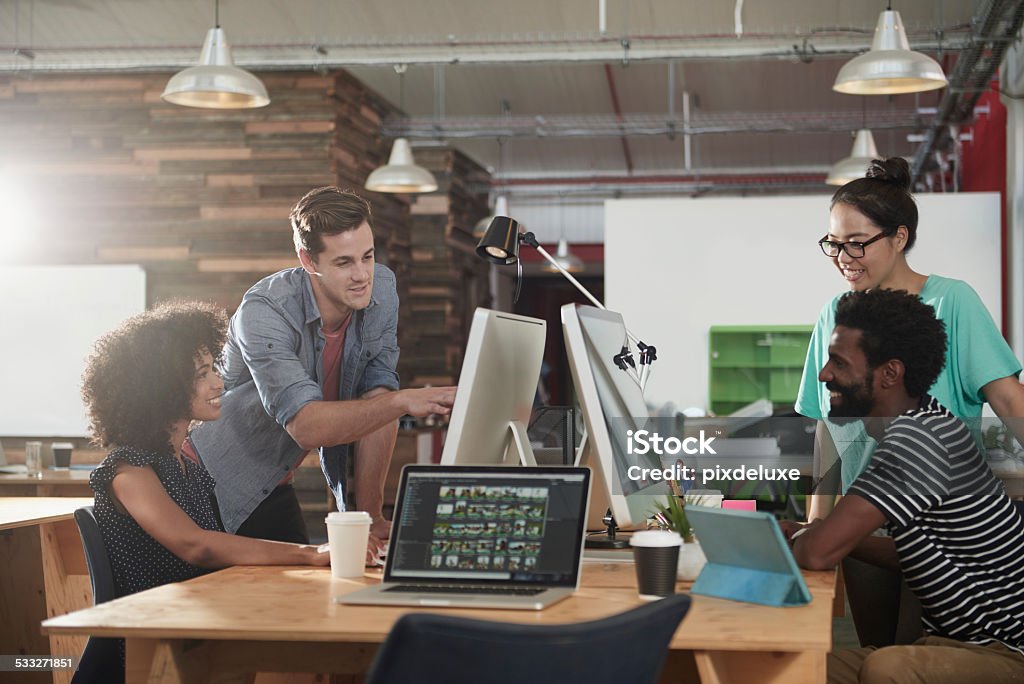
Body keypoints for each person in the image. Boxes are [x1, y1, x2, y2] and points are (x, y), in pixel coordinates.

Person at [795, 158, 1024, 646]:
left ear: (899, 237)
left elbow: (1008, 400)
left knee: (920, 658)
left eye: (857, 242)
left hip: (941, 530)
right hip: (866, 521)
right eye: (833, 244)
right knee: (877, 655)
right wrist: (819, 525)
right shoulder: (834, 315)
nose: (843, 256)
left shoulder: (951, 302)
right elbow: (825, 429)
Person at [187, 187, 456, 550]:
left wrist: (371, 517)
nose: (362, 275)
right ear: (309, 260)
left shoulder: (382, 291)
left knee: (306, 595)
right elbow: (307, 426)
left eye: (368, 256)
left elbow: (379, 396)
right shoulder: (265, 310)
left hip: (276, 483)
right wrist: (402, 402)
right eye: (344, 263)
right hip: (207, 481)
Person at [80, 302, 331, 681]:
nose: (218, 382)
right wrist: (308, 554)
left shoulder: (189, 468)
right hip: (150, 648)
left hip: (196, 625)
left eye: (214, 368)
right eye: (202, 374)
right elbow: (197, 545)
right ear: (162, 388)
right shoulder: (129, 471)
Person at [783, 289, 1024, 683]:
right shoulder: (925, 422)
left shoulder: (916, 442)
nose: (824, 374)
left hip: (1007, 654)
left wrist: (804, 540)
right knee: (793, 673)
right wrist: (823, 533)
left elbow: (818, 554)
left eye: (839, 362)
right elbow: (917, 551)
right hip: (948, 644)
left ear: (890, 374)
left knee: (887, 667)